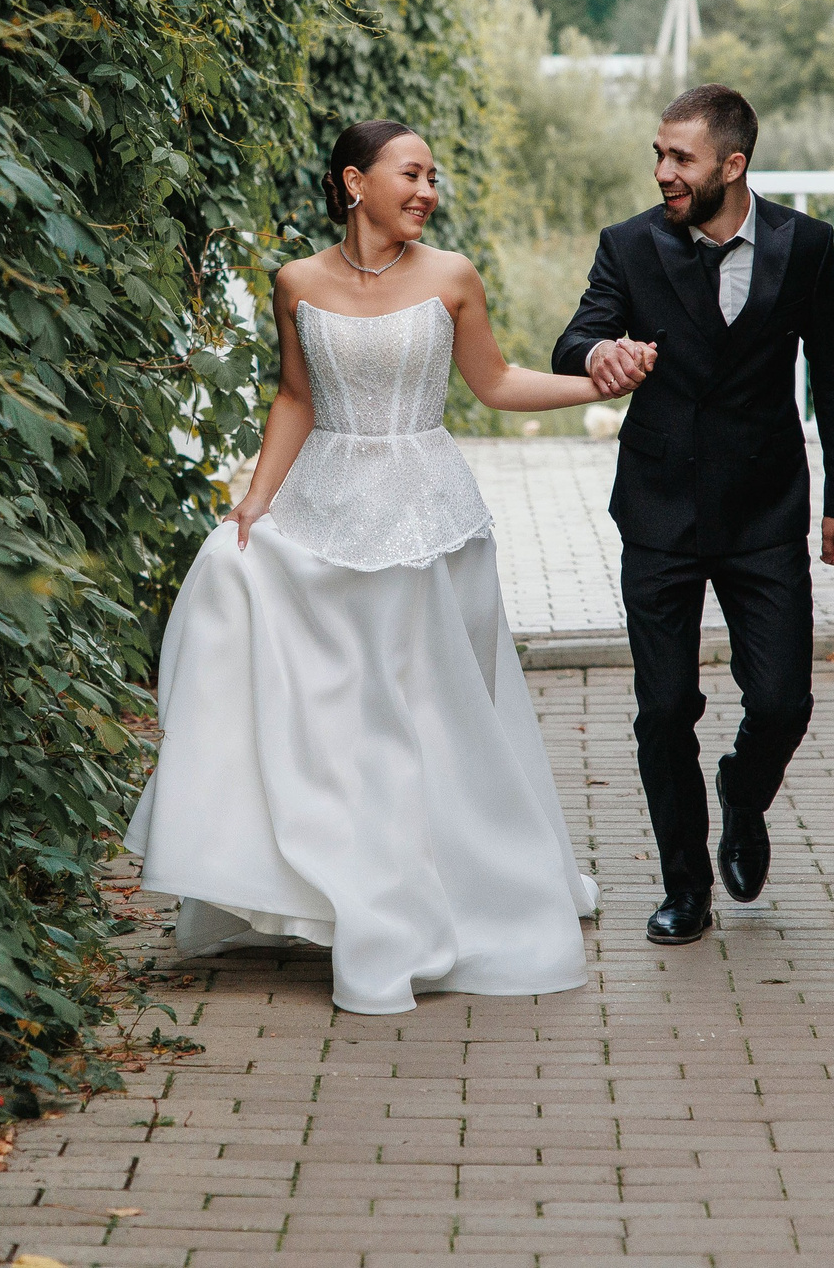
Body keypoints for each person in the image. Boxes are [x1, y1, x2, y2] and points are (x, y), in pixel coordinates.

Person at [125, 120, 614, 1016]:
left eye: (434, 176)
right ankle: (349, 889)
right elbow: (297, 397)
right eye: (411, 173)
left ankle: (462, 882)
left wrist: (598, 384)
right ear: (356, 181)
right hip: (325, 507)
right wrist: (255, 502)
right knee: (335, 705)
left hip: (431, 519)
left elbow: (497, 381)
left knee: (435, 712)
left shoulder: (452, 276)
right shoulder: (296, 282)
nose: (428, 190)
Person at [552, 84, 834, 945]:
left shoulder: (805, 246)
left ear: (733, 164)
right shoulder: (629, 245)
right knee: (663, 709)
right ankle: (684, 886)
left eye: (680, 158)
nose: (662, 172)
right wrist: (602, 350)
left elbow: (832, 378)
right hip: (658, 510)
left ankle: (742, 793)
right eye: (658, 155)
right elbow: (572, 341)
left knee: (784, 701)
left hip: (766, 511)